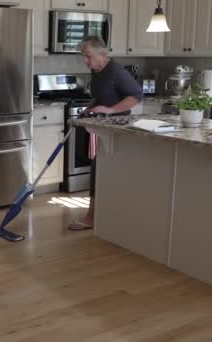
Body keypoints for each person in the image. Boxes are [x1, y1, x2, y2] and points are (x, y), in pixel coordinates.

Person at [68, 36, 143, 230]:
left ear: (102, 53)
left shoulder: (116, 71)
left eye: (88, 56)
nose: (86, 61)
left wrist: (110, 110)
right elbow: (100, 96)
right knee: (99, 170)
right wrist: (89, 108)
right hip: (101, 127)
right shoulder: (97, 71)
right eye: (83, 57)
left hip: (116, 129)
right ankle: (100, 215)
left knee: (103, 171)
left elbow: (136, 96)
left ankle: (92, 217)